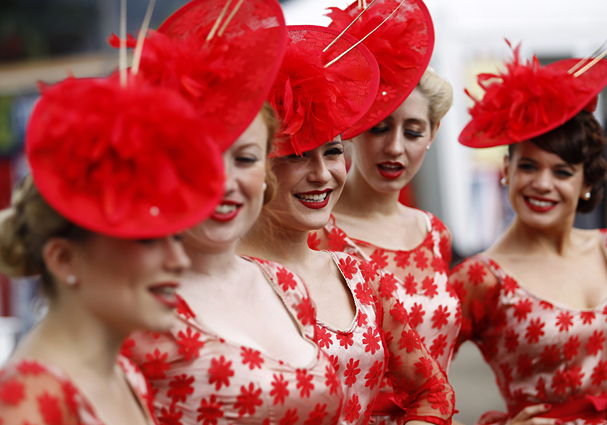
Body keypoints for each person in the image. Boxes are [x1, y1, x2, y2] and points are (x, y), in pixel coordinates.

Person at [123, 1, 346, 423]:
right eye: (200, 157)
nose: (223, 181)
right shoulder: (134, 310)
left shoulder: (284, 284)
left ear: (267, 171)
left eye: (244, 159)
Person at [239, 23, 455, 425]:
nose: (322, 175)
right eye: (298, 154)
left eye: (333, 151)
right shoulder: (217, 280)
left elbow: (432, 390)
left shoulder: (356, 274)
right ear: (252, 163)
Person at [0, 73, 225, 424]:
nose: (179, 260)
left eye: (177, 236)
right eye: (147, 238)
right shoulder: (27, 403)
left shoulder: (125, 374)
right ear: (63, 259)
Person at [451, 44, 607, 425]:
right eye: (528, 166)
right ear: (506, 170)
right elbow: (410, 387)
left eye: (561, 172)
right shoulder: (482, 278)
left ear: (586, 182)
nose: (542, 184)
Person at [309, 3, 457, 422]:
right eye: (379, 128)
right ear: (353, 127)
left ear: (433, 134)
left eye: (413, 132)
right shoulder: (314, 232)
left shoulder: (434, 234)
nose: (395, 147)